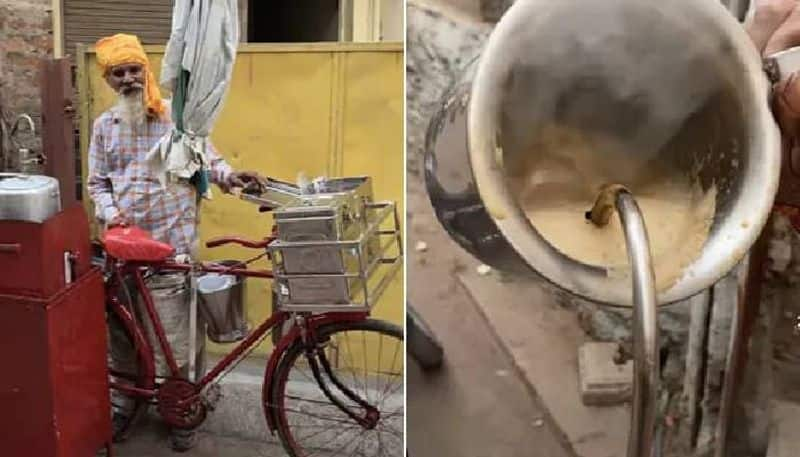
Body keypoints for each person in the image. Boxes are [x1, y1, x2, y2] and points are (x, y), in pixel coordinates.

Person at [86, 33, 266, 452]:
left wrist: (231, 177)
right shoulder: (104, 127)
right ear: (110, 80)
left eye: (134, 70)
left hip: (172, 248)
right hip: (123, 251)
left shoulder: (175, 118)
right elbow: (98, 183)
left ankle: (183, 409)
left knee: (176, 342)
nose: (129, 79)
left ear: (145, 71)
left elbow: (209, 159)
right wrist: (113, 215)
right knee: (123, 341)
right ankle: (126, 405)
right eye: (119, 73)